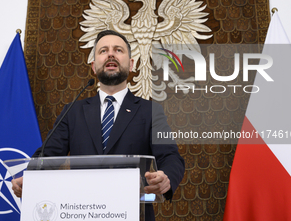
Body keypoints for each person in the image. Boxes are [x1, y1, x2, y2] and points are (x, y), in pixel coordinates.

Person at [12, 30, 185, 221]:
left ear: (132, 64)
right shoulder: (73, 111)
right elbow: (47, 155)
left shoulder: (150, 111)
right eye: (103, 50)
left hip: (134, 213)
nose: (111, 54)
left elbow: (171, 157)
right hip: (81, 212)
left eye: (118, 50)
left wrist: (166, 178)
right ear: (94, 67)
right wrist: (30, 179)